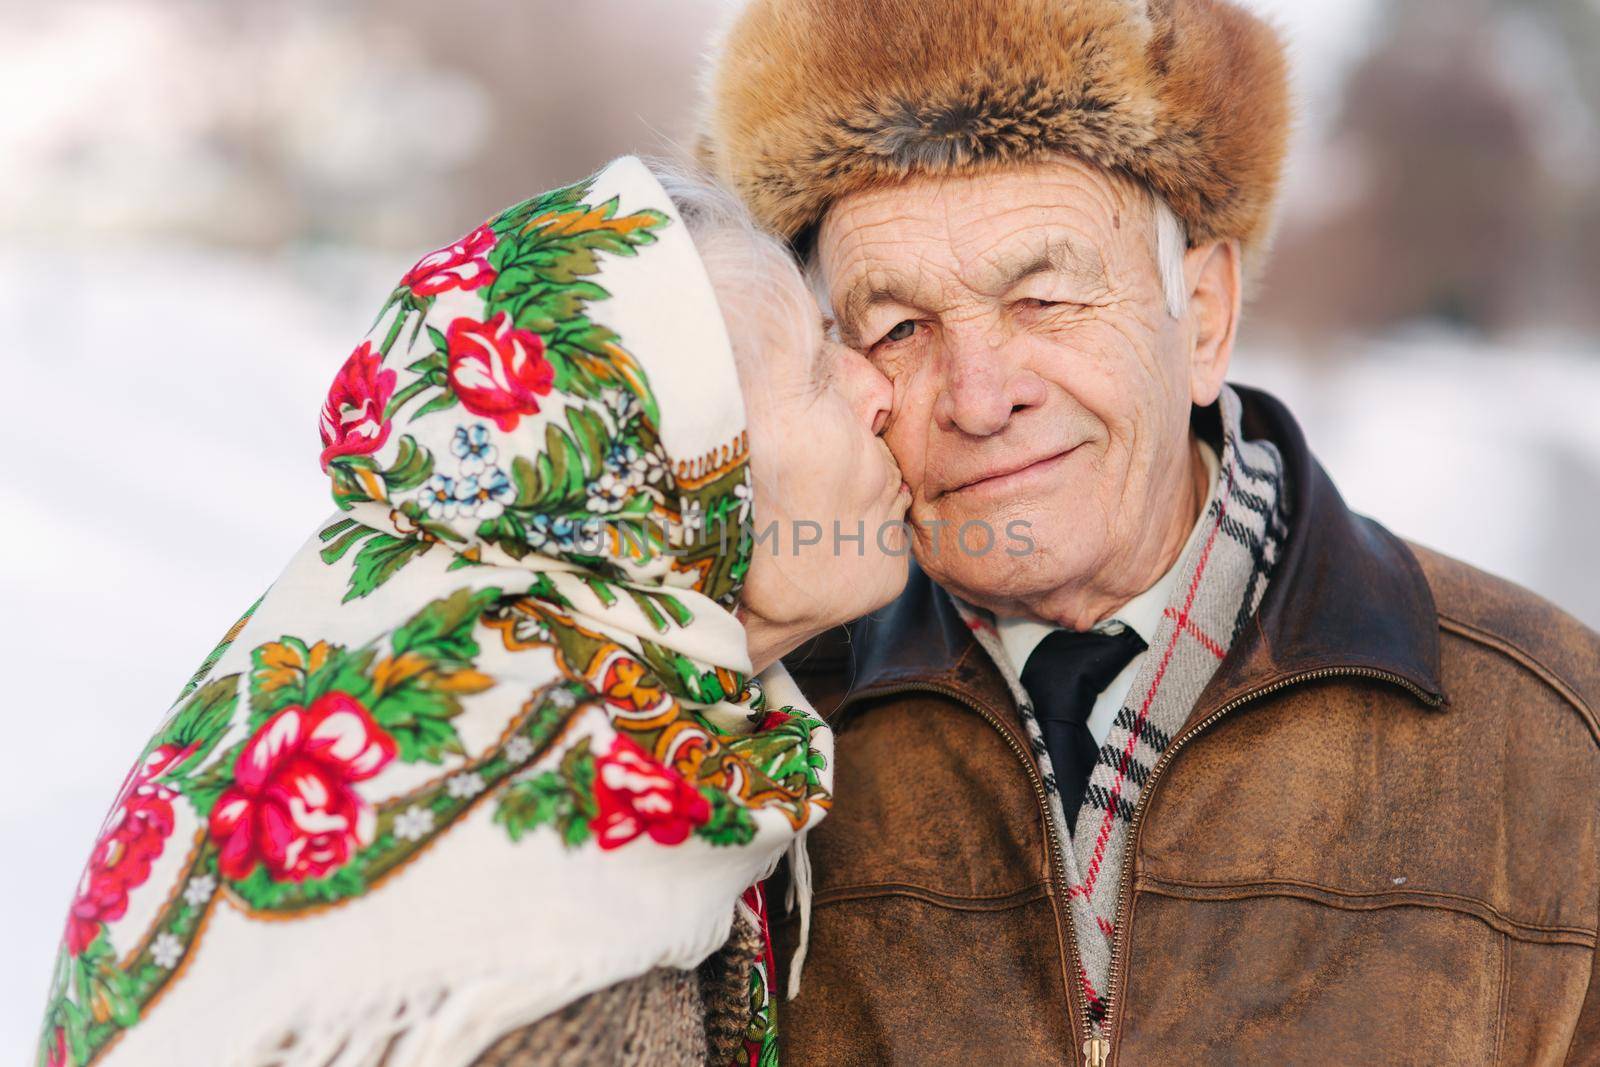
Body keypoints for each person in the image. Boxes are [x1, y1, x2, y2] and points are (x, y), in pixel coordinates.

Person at [697, 1, 1600, 1063]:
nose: (980, 397)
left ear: (1205, 317)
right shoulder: (740, 724)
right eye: (899, 327)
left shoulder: (1549, 731)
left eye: (1044, 298)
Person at [35, 156, 908, 1067]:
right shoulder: (542, 924)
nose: (878, 389)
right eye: (815, 367)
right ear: (678, 485)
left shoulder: (521, 671)